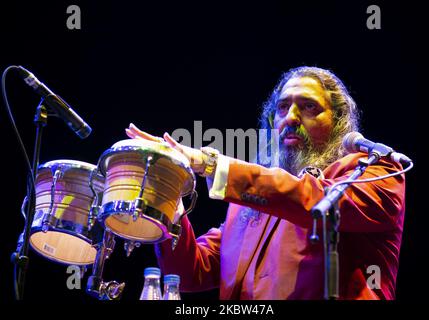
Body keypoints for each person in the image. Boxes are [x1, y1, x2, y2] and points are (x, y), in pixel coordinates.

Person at [125, 66, 406, 300]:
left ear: (339, 122)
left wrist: (210, 163)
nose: (291, 118)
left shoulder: (377, 171)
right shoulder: (248, 205)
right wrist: (166, 192)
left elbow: (313, 199)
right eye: (283, 108)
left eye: (309, 107)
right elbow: (189, 273)